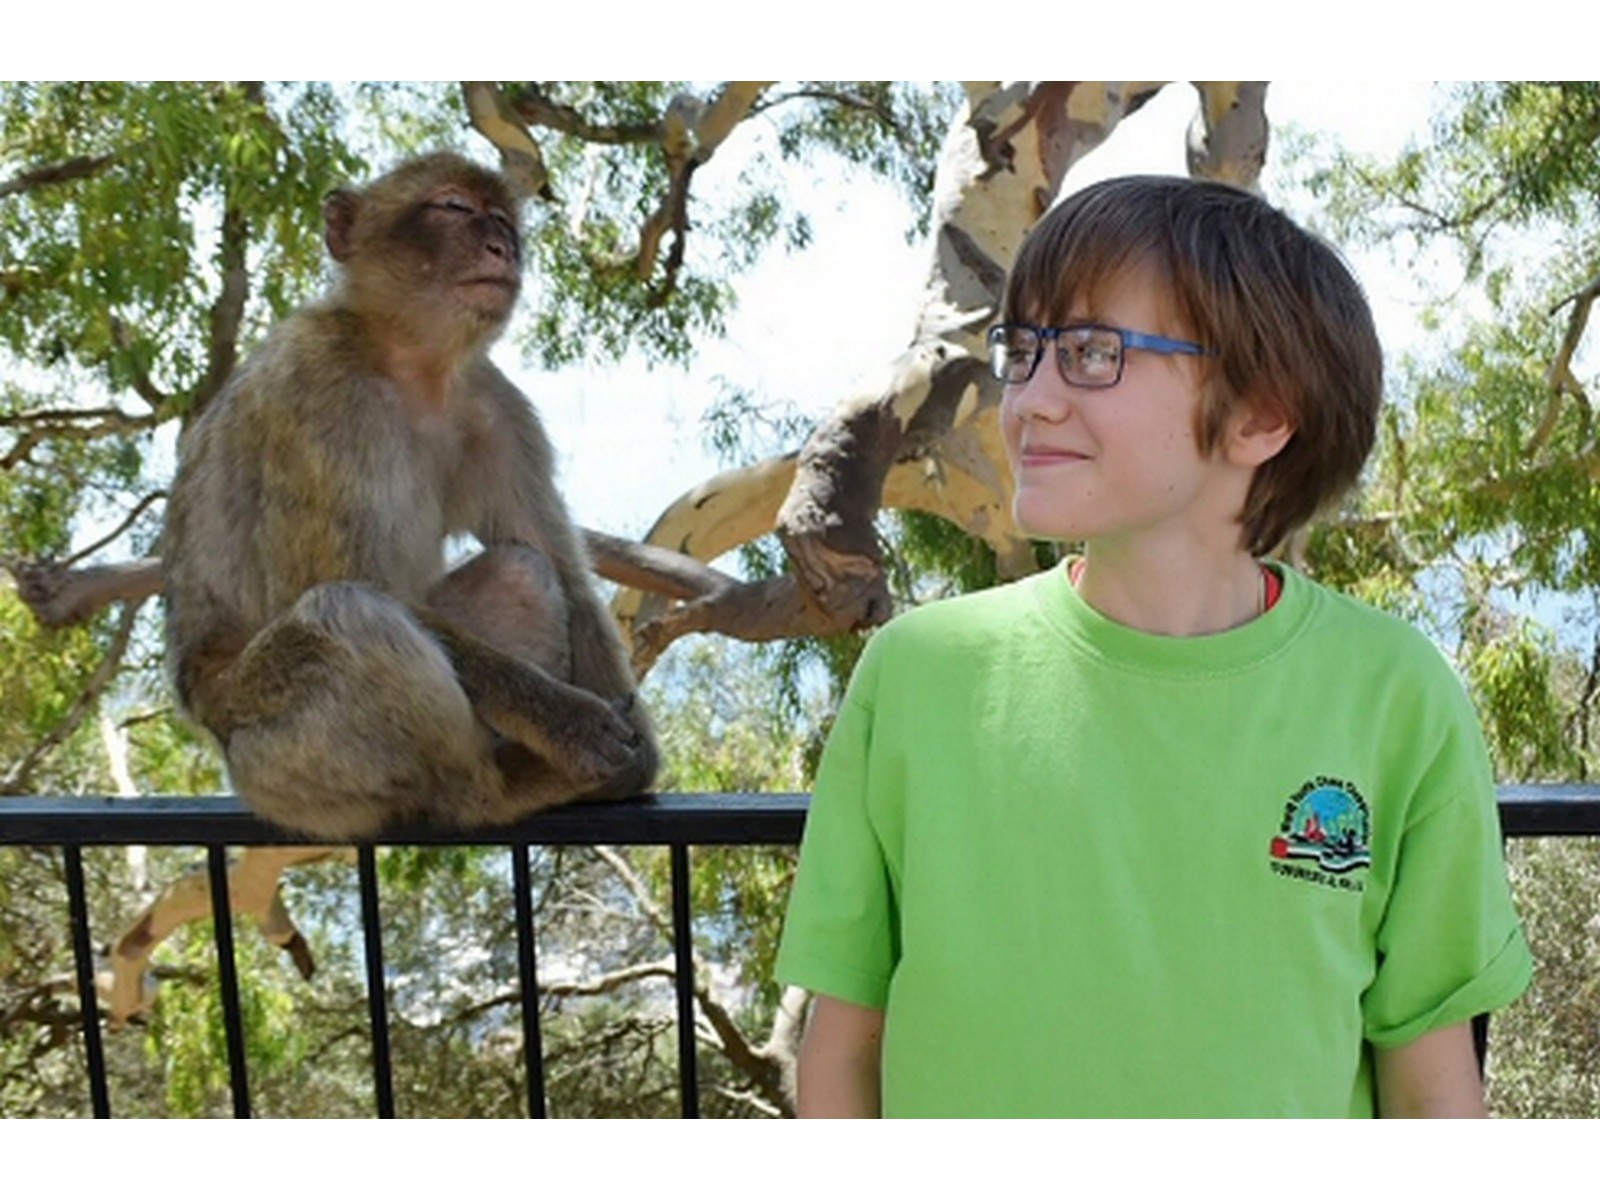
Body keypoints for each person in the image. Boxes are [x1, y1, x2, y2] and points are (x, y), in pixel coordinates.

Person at [774, 175, 1532, 1118]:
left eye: (1093, 352)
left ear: (1260, 413)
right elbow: (845, 1049)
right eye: (1026, 350)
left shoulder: (1394, 694)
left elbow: (1430, 1087)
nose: (1030, 401)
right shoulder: (919, 676)